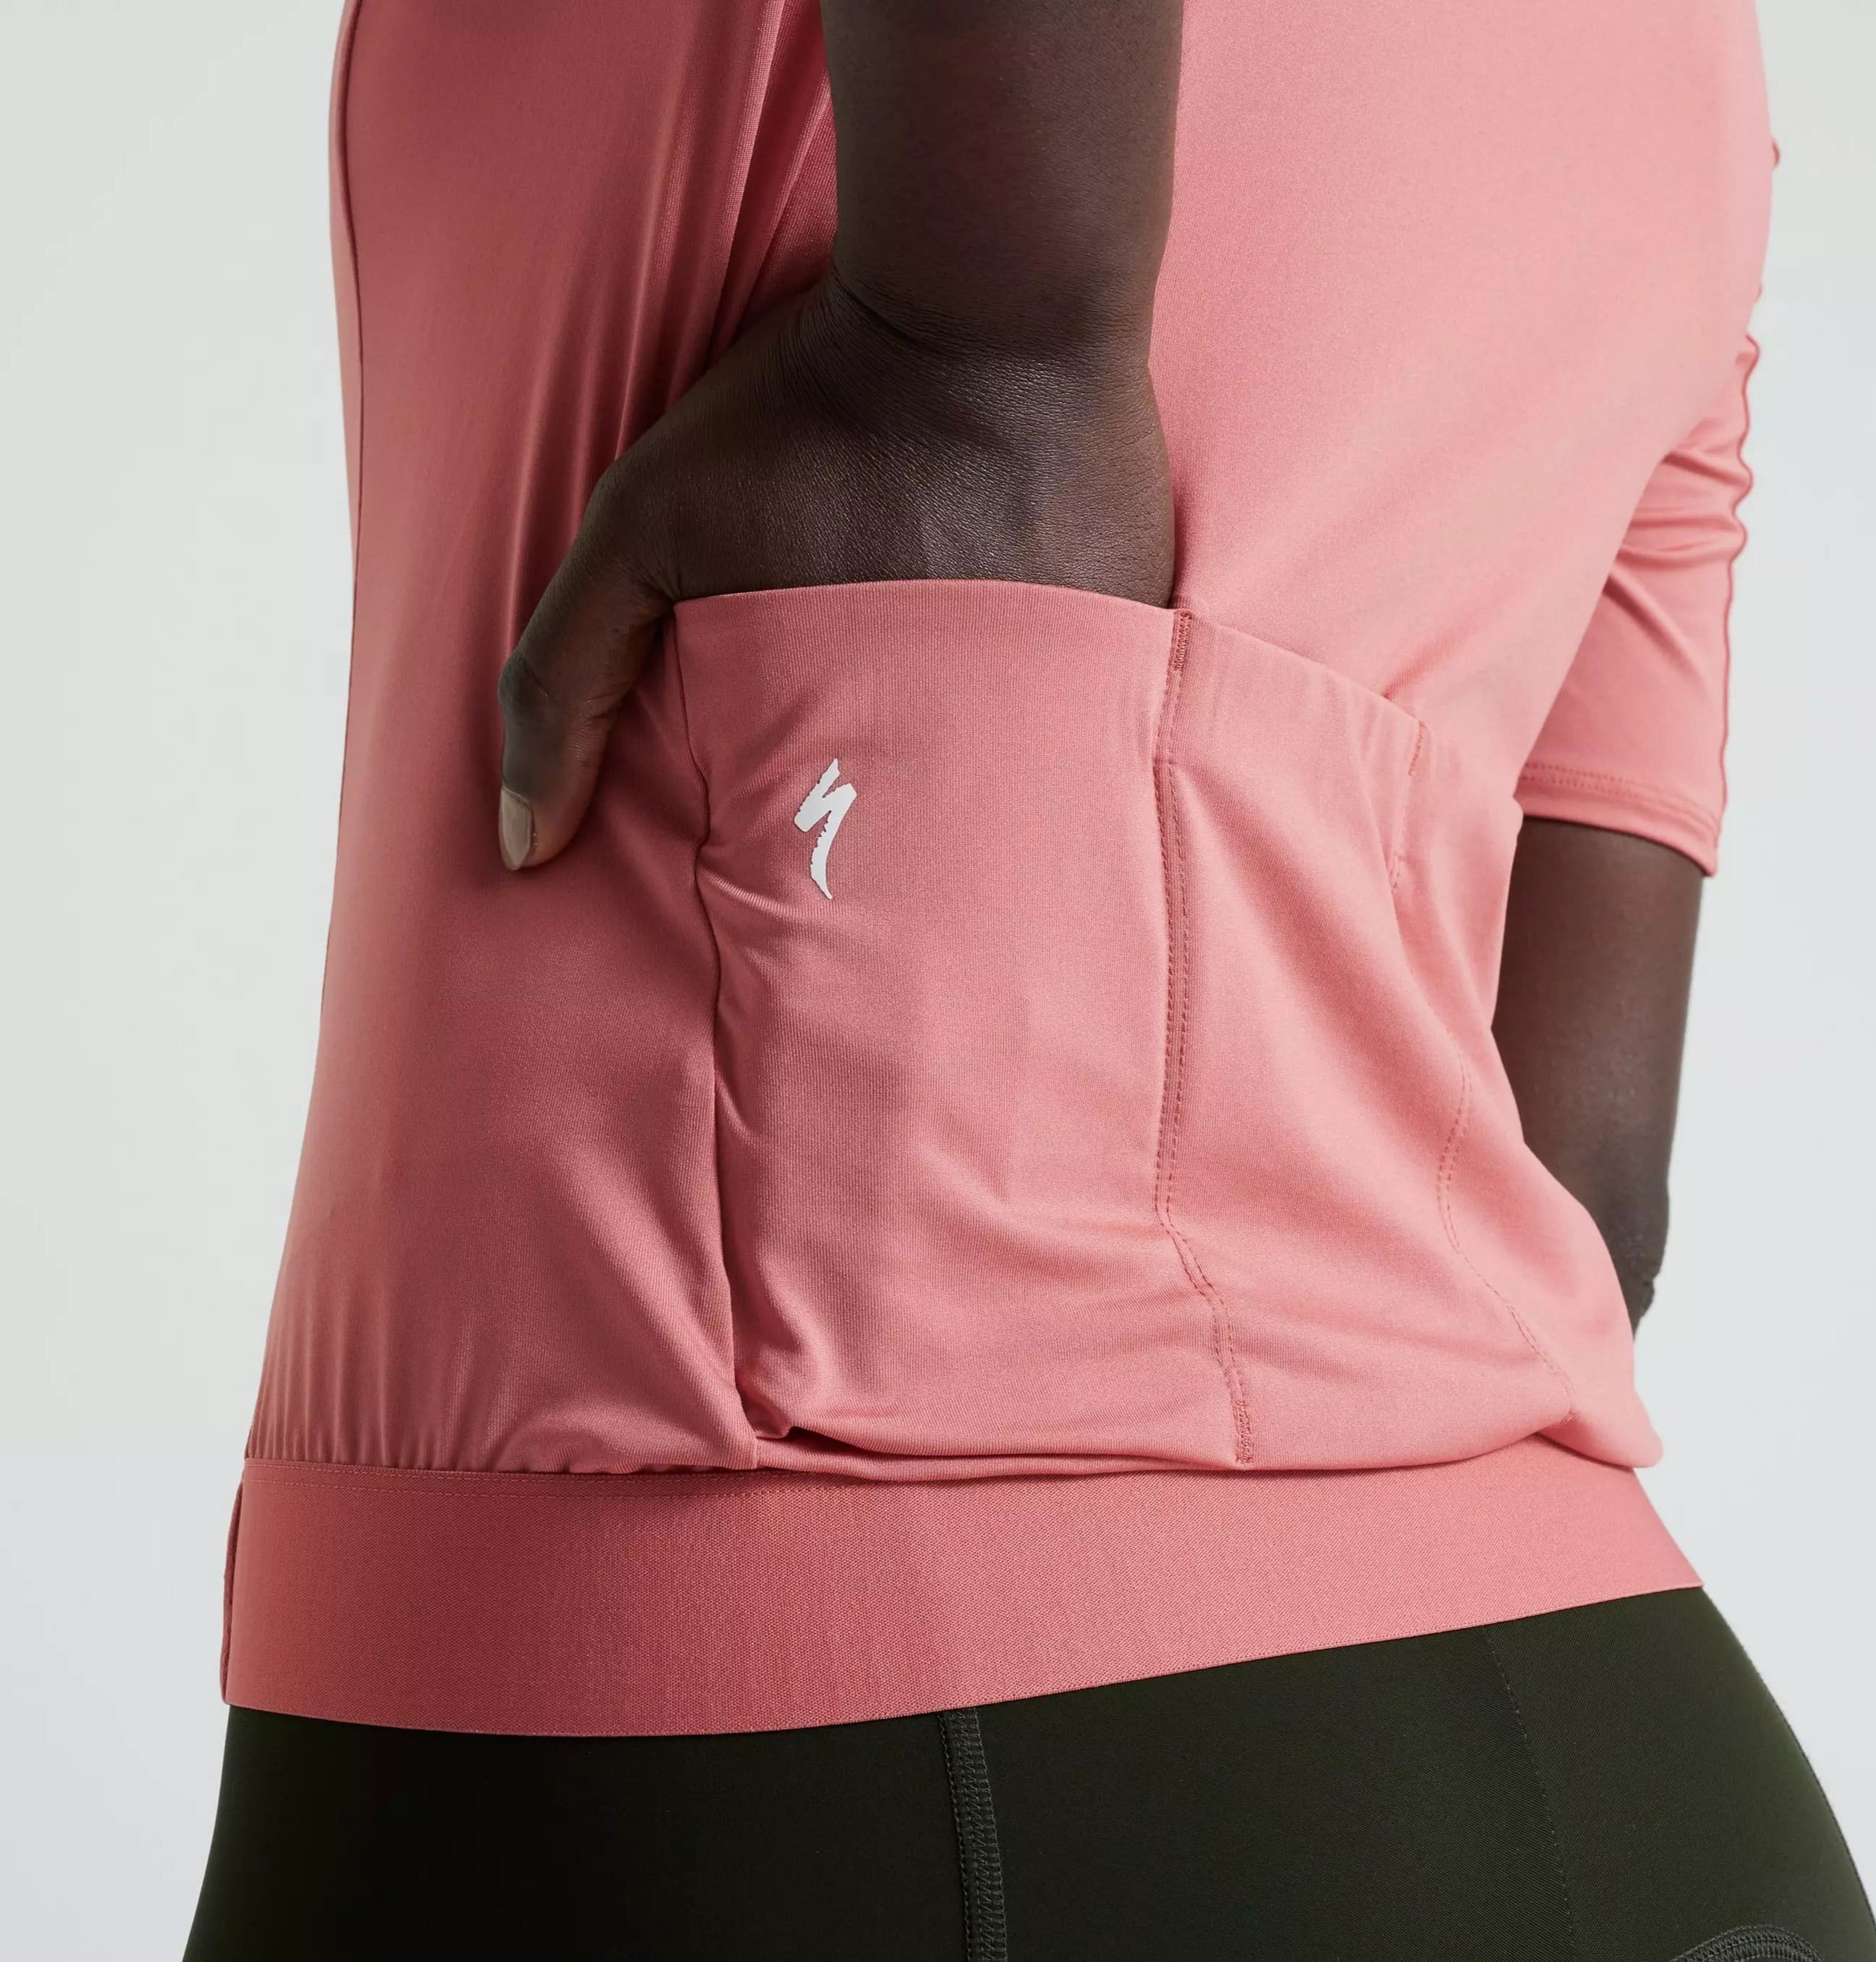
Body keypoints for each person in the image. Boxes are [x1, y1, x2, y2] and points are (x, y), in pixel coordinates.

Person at [187, 1, 1874, 1955]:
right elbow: (1582, 1171)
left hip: (806, 1736)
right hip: (1643, 1773)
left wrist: (968, 355)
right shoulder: (1676, 73)